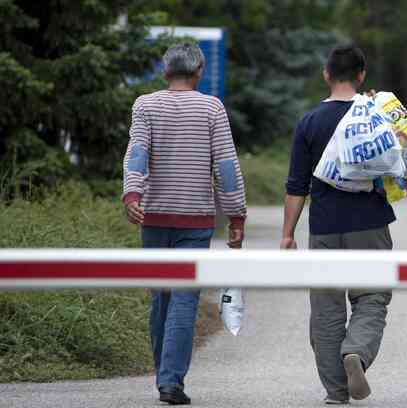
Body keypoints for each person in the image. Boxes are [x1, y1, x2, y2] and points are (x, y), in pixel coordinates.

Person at [280, 44, 407, 405]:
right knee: (372, 296)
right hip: (370, 223)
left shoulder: (310, 122)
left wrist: (287, 234)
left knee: (327, 306)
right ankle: (357, 353)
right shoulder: (375, 115)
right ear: (362, 75)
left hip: (325, 226)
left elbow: (296, 185)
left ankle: (336, 392)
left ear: (326, 75)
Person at [122, 43, 247, 406]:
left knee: (161, 298)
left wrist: (133, 195)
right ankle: (170, 381)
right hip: (195, 220)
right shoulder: (211, 107)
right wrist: (236, 214)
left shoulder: (145, 105)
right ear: (199, 73)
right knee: (184, 300)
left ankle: (165, 375)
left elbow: (138, 152)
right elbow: (225, 165)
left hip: (154, 218)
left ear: (165, 72)